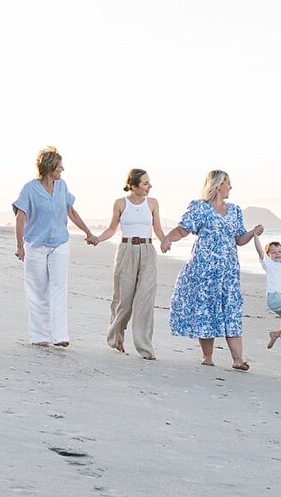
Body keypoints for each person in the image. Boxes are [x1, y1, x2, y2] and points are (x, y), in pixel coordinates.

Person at [161, 170, 263, 370]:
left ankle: (238, 360)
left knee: (232, 310)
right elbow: (183, 229)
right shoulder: (199, 207)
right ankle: (207, 356)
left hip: (229, 273)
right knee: (206, 310)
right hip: (205, 271)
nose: (231, 187)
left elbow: (239, 239)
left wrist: (252, 232)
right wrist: (167, 238)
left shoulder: (235, 210)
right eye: (228, 183)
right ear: (217, 185)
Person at [12, 146, 96, 347]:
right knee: (38, 290)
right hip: (36, 245)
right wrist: (19, 246)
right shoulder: (30, 189)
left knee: (59, 288)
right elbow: (20, 218)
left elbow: (71, 212)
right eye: (59, 166)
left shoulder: (62, 186)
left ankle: (60, 336)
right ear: (49, 167)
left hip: (59, 243)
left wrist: (88, 232)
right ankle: (40, 336)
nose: (62, 170)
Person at [90, 169, 167, 360]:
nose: (149, 186)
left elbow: (157, 228)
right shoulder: (120, 203)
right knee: (124, 301)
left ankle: (145, 347)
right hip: (126, 250)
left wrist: (165, 240)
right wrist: (98, 239)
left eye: (149, 182)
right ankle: (116, 335)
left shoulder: (153, 203)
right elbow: (111, 228)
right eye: (145, 183)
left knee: (145, 300)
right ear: (133, 186)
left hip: (148, 251)